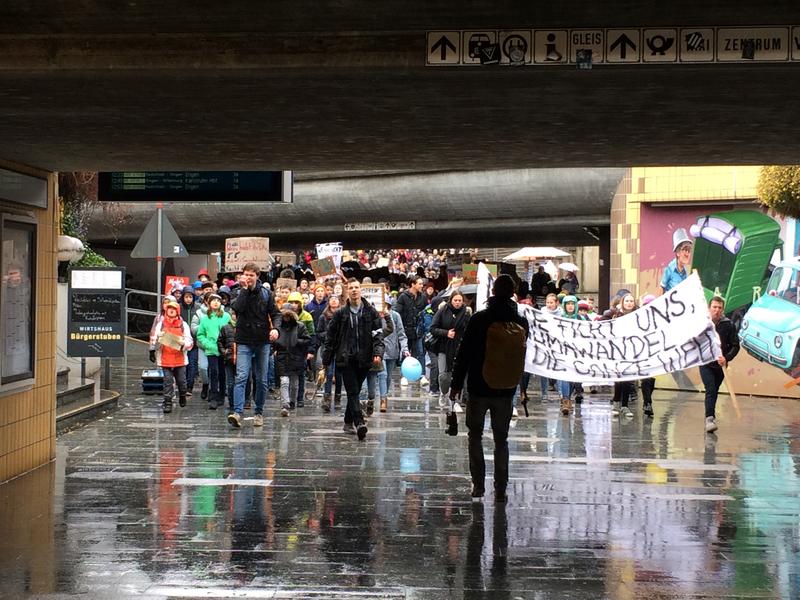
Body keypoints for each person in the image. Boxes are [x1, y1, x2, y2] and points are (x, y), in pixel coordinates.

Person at [449, 274, 529, 503]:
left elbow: (463, 354)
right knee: (501, 440)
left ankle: (478, 485)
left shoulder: (479, 319)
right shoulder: (521, 322)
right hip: (506, 390)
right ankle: (501, 487)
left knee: (474, 435)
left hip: (478, 387)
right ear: (512, 293)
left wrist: (455, 385)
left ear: (493, 292)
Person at [322, 279, 384, 441]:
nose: (354, 290)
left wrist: (378, 352)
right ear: (347, 291)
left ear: (361, 290)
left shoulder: (371, 311)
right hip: (345, 358)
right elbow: (331, 338)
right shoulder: (340, 313)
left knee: (354, 391)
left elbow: (378, 334)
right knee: (352, 390)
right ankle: (359, 422)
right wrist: (326, 360)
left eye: (357, 287)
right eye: (351, 288)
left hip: (364, 358)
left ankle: (347, 421)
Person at [227, 262, 282, 429]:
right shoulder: (238, 292)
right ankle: (237, 412)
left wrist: (276, 330)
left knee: (262, 379)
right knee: (242, 376)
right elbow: (237, 308)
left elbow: (276, 314)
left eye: (252, 275)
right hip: (244, 340)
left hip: (262, 341)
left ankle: (258, 412)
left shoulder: (266, 294)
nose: (248, 278)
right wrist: (244, 290)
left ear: (257, 276)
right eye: (246, 274)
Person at [700, 296, 740, 433]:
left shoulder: (728, 325)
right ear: (709, 308)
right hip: (705, 363)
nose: (716, 310)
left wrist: (727, 358)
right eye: (714, 307)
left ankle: (710, 415)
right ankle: (709, 419)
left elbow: (735, 346)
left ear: (723, 309)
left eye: (719, 308)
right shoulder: (702, 324)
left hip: (721, 365)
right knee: (710, 389)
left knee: (714, 391)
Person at [149, 299, 193, 414]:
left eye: (174, 309)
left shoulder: (183, 325)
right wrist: (153, 346)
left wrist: (184, 343)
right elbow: (154, 338)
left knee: (182, 381)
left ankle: (182, 394)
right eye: (169, 309)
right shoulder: (161, 324)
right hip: (165, 358)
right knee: (168, 381)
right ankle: (167, 402)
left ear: (177, 311)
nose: (171, 311)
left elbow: (189, 340)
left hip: (180, 358)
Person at [430, 291, 470, 411]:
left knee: (458, 376)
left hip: (460, 348)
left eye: (459, 301)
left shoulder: (466, 313)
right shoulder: (443, 311)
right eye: (455, 300)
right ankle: (443, 392)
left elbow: (469, 329)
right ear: (451, 300)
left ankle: (455, 401)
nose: (457, 303)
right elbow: (433, 328)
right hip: (444, 347)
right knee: (444, 376)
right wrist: (446, 333)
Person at [274, 302, 312, 417]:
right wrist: (275, 348)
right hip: (282, 357)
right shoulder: (278, 328)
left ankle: (292, 402)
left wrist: (297, 342)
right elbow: (273, 340)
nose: (286, 317)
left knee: (294, 384)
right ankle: (285, 404)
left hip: (296, 357)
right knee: (284, 382)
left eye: (288, 315)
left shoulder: (300, 326)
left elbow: (308, 339)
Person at [196, 293, 232, 410]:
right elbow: (200, 334)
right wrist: (206, 344)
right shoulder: (205, 319)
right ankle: (213, 396)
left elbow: (231, 329)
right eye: (213, 300)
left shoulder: (226, 316)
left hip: (224, 349)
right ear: (208, 303)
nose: (216, 302)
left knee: (222, 372)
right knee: (213, 372)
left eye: (218, 300)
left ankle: (222, 394)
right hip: (211, 349)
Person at [393, 275, 427, 382]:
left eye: (422, 283)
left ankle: (422, 375)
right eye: (420, 283)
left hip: (418, 330)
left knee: (420, 353)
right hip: (406, 329)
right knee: (406, 352)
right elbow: (398, 313)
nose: (422, 286)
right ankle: (404, 375)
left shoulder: (423, 297)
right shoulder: (403, 296)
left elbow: (426, 311)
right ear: (413, 284)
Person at [376, 305, 408, 413]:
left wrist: (405, 349)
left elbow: (401, 334)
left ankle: (384, 394)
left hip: (392, 350)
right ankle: (383, 399)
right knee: (382, 374)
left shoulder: (395, 315)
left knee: (388, 376)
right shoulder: (374, 314)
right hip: (379, 350)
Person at [611, 293, 638, 418]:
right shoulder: (615, 314)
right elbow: (601, 323)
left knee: (627, 377)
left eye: (631, 301)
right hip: (618, 349)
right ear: (623, 302)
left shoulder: (639, 314)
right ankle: (616, 402)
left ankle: (625, 405)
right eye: (627, 300)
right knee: (619, 377)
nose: (629, 303)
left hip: (632, 349)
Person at [317, 294, 343, 412]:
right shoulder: (323, 317)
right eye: (331, 299)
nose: (333, 301)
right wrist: (329, 336)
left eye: (336, 299)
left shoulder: (343, 315)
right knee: (328, 373)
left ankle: (337, 398)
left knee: (339, 374)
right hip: (328, 348)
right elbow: (319, 333)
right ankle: (326, 398)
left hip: (340, 349)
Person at [660, 227, 693, 294]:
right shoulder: (669, 269)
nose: (687, 254)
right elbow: (661, 288)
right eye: (685, 250)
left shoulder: (686, 272)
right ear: (678, 252)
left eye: (689, 250)